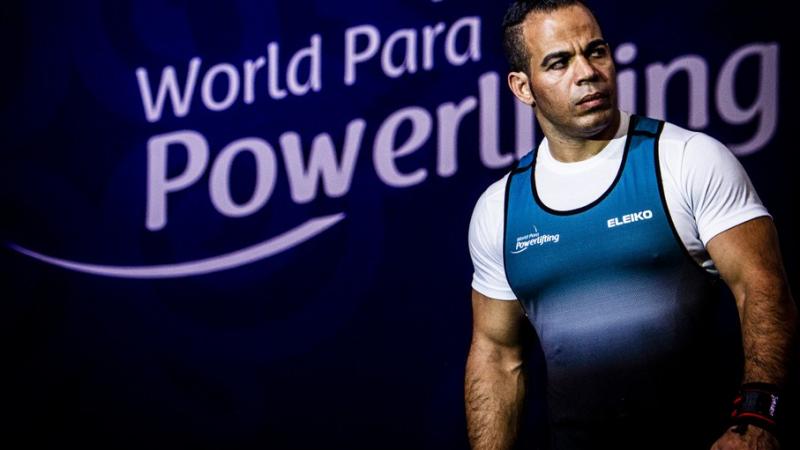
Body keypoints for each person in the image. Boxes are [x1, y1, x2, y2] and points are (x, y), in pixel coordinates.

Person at [464, 1, 797, 449]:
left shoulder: (686, 158)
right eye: (559, 62)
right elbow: (496, 355)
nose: (587, 72)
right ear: (523, 87)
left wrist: (759, 419)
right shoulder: (499, 209)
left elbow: (763, 288)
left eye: (596, 51)